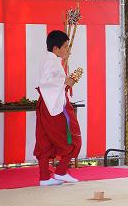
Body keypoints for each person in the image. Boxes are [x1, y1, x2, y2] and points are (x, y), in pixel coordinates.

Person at [34, 30, 82, 186]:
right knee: (72, 136)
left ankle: (44, 177)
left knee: (45, 140)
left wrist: (63, 73)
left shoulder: (48, 58)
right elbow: (46, 81)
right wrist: (66, 81)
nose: (67, 49)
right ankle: (61, 171)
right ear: (56, 48)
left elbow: (50, 78)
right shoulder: (52, 60)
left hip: (45, 103)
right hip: (53, 106)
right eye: (65, 47)